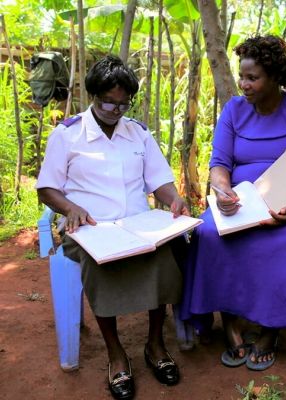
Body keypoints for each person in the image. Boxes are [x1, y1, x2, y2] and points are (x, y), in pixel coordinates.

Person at [36, 55, 189, 399]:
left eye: (123, 104)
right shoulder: (67, 134)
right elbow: (47, 187)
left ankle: (154, 343)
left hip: (139, 224)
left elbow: (159, 180)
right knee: (99, 262)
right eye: (107, 101)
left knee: (163, 255)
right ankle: (116, 352)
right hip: (90, 227)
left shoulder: (138, 133)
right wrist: (70, 207)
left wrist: (174, 198)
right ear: (92, 95)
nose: (115, 110)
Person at [181, 35, 286, 371]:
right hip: (242, 199)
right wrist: (222, 191)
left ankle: (271, 328)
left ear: (275, 77)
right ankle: (230, 322)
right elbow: (220, 163)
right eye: (242, 76)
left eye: (252, 78)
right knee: (207, 234)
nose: (244, 85)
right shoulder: (234, 110)